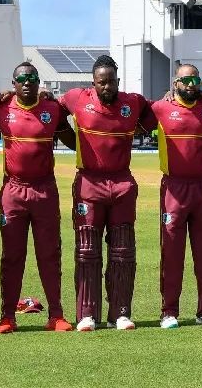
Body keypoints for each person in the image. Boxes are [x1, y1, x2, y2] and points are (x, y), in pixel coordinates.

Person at [60, 55, 154, 331]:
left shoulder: (133, 102)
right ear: (93, 83)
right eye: (102, 83)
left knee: (122, 251)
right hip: (89, 183)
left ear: (118, 81)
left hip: (122, 183)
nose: (107, 87)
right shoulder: (76, 98)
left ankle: (120, 312)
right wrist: (72, 139)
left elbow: (152, 113)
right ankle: (87, 314)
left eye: (111, 82)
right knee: (87, 250)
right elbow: (51, 113)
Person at [0, 62, 76, 334]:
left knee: (49, 254)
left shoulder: (52, 109)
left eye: (32, 78)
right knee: (12, 255)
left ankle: (56, 314)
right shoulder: (0, 109)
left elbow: (74, 141)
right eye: (22, 78)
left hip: (44, 191)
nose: (27, 82)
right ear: (13, 83)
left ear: (40, 82)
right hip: (13, 191)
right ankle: (7, 317)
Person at [146, 64, 202, 329]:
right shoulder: (160, 108)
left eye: (195, 80)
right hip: (174, 189)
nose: (191, 84)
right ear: (175, 83)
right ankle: (169, 311)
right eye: (186, 80)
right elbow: (135, 116)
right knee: (172, 251)